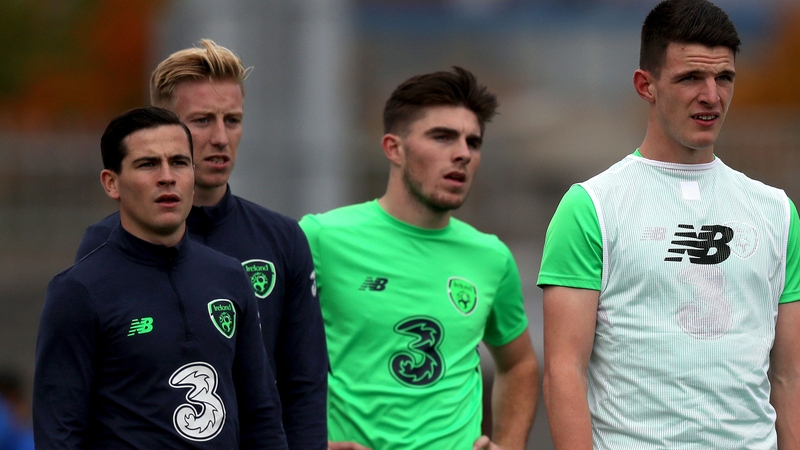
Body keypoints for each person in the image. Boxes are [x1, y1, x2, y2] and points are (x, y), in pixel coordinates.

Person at [538, 0, 800, 449]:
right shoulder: (591, 207)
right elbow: (564, 372)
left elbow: (789, 376)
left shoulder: (777, 211)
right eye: (690, 78)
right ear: (646, 86)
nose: (711, 96)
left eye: (724, 78)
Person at [74, 40, 327, 449]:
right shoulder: (105, 244)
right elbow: (80, 393)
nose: (221, 137)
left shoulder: (282, 240)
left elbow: (305, 385)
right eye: (203, 120)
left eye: (233, 120)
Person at [300, 67, 539, 450]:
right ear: (393, 148)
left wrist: (508, 445)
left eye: (473, 142)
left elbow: (520, 364)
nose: (462, 153)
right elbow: (259, 356)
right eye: (442, 137)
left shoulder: (491, 257)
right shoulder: (321, 237)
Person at [34, 107, 288, 449]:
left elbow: (262, 417)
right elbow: (59, 432)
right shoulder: (79, 291)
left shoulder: (229, 277)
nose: (167, 177)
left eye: (179, 162)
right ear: (111, 183)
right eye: (148, 164)